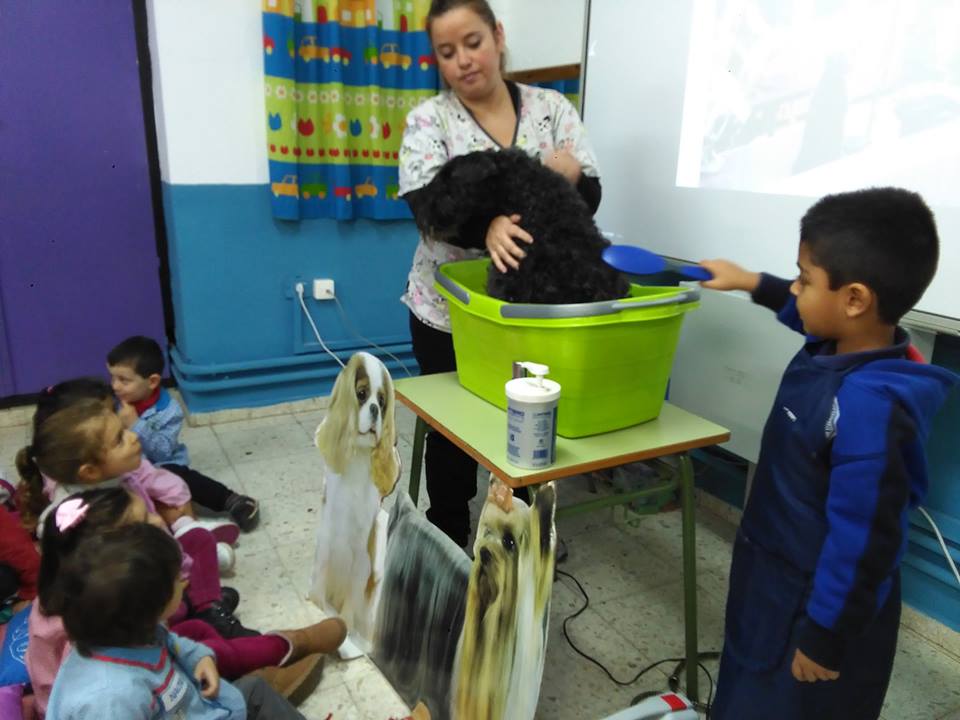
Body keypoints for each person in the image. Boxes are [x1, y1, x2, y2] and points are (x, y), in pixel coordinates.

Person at [699, 187, 957, 720]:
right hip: (772, 574)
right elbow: (808, 314)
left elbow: (866, 541)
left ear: (855, 299)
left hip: (814, 609)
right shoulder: (842, 340)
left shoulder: (870, 409)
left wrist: (826, 637)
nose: (794, 290)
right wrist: (750, 281)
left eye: (803, 278)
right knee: (743, 687)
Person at [398, 0, 602, 546]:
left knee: (530, 425)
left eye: (473, 43)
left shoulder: (551, 110)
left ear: (498, 36)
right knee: (454, 433)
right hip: (449, 314)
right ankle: (448, 536)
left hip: (533, 312)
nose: (463, 60)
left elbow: (589, 198)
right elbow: (425, 207)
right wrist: (483, 228)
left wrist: (570, 176)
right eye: (447, 52)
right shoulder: (429, 121)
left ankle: (521, 541)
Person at [28, 487, 346, 716]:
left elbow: (171, 642)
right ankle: (283, 649)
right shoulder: (109, 700)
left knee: (255, 690)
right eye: (176, 580)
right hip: (178, 703)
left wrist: (199, 659)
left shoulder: (124, 626)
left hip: (189, 703)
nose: (184, 581)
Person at [16, 399, 255, 639]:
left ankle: (206, 607)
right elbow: (114, 581)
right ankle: (200, 608)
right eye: (120, 439)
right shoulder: (76, 516)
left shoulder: (122, 476)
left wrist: (178, 564)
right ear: (90, 471)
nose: (133, 436)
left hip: (163, 564)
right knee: (184, 611)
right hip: (140, 597)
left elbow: (158, 519)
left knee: (199, 537)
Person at [107, 336, 260, 531]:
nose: (115, 386)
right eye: (112, 378)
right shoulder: (114, 402)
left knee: (182, 479)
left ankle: (233, 501)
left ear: (152, 381)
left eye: (124, 380)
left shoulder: (170, 411)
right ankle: (182, 530)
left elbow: (163, 452)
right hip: (129, 469)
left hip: (162, 466)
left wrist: (135, 424)